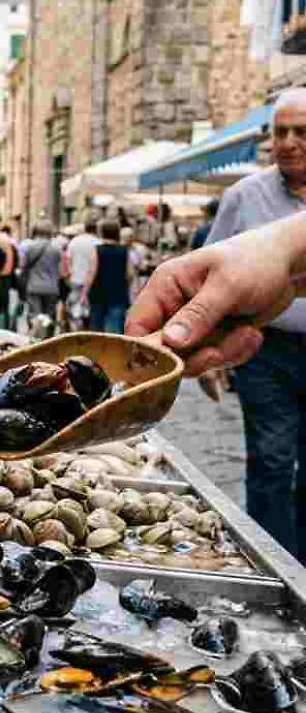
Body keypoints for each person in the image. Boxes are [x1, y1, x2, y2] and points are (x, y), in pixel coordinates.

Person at [128, 88, 306, 559]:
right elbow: (212, 268)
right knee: (271, 458)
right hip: (266, 347)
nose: (288, 142)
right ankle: (275, 562)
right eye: (279, 132)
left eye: (300, 132)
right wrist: (209, 353)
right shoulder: (244, 196)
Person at [85, 219, 133, 333]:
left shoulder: (97, 250)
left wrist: (86, 290)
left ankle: (95, 349)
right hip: (118, 293)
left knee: (96, 327)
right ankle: (113, 350)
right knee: (114, 329)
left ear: (101, 232)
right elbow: (129, 274)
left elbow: (92, 271)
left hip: (98, 292)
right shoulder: (124, 250)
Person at [18, 221, 62, 324]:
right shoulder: (56, 248)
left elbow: (23, 265)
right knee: (48, 317)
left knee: (35, 316)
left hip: (33, 286)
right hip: (51, 287)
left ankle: (35, 337)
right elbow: (61, 271)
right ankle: (47, 337)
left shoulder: (30, 247)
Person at [62, 220, 101, 331]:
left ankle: (76, 329)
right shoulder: (98, 242)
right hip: (93, 280)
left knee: (75, 307)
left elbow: (67, 259)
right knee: (89, 308)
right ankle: (87, 329)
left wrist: (69, 274)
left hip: (75, 278)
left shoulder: (75, 241)